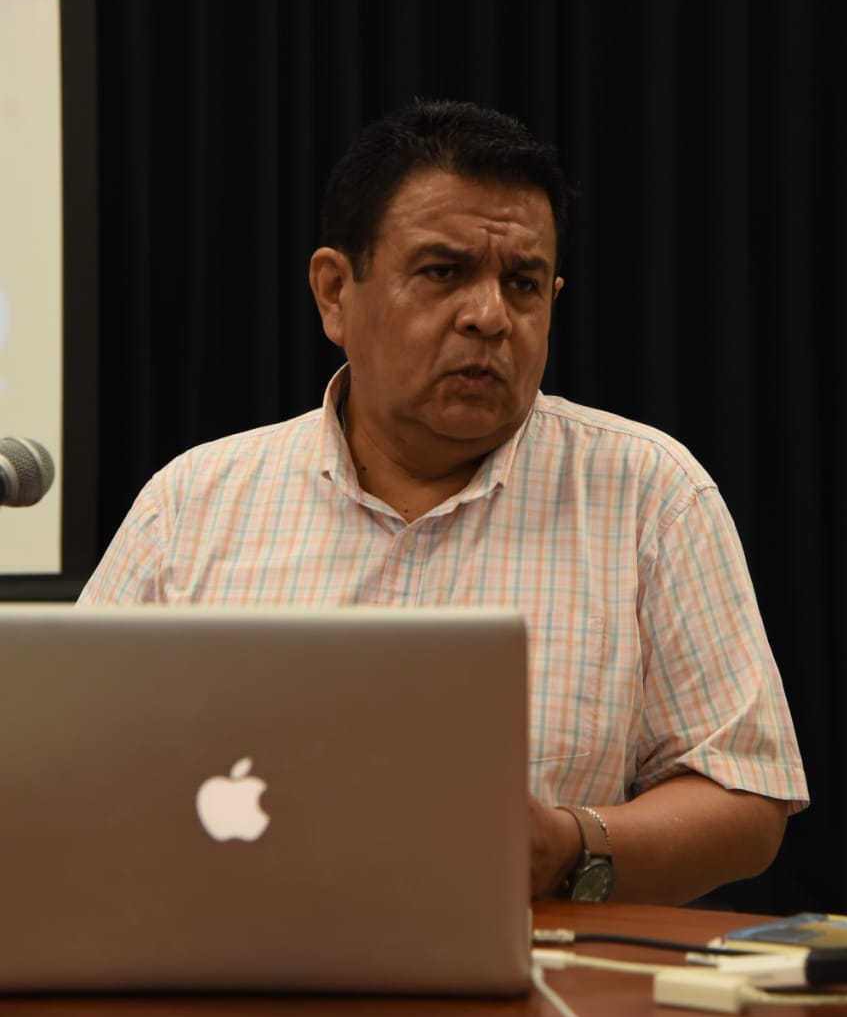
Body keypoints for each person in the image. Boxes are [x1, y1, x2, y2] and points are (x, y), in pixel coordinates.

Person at [80, 99, 808, 904]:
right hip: (226, 961)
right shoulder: (192, 504)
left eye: (522, 284)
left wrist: (571, 845)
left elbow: (745, 797)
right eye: (442, 272)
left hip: (534, 968)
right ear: (335, 292)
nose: (489, 316)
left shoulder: (649, 493)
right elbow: (67, 769)